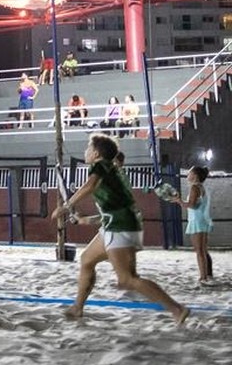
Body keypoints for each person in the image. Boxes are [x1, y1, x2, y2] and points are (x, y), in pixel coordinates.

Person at [51, 133, 189, 325]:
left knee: (127, 279)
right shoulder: (112, 169)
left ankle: (177, 309)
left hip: (120, 226)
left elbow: (89, 186)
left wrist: (66, 206)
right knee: (86, 260)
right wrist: (85, 220)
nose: (86, 151)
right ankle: (77, 308)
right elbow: (113, 206)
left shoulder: (100, 166)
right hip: (116, 224)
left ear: (97, 153)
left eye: (88, 147)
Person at [168, 165, 214, 285]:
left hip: (197, 221)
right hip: (203, 220)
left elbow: (191, 205)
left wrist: (179, 201)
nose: (188, 175)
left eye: (189, 173)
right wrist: (180, 201)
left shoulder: (194, 187)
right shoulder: (201, 187)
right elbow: (195, 203)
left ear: (195, 175)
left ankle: (203, 277)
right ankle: (205, 275)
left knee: (199, 251)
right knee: (203, 250)